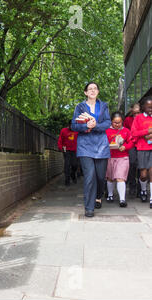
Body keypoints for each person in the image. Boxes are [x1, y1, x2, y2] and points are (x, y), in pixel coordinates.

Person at [71, 82, 111, 217]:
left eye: (95, 89)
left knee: (100, 177)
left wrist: (96, 125)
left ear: (98, 92)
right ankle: (89, 207)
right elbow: (73, 125)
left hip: (101, 145)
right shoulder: (80, 107)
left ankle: (98, 195)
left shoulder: (104, 106)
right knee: (89, 176)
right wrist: (86, 126)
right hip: (85, 146)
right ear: (85, 93)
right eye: (90, 89)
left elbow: (107, 123)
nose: (92, 91)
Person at [105, 111, 134, 207]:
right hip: (110, 157)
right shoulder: (106, 131)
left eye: (119, 122)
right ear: (111, 122)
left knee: (120, 178)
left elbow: (131, 142)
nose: (117, 124)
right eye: (115, 122)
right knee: (110, 178)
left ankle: (122, 199)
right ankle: (110, 195)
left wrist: (125, 146)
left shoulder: (126, 131)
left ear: (122, 122)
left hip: (122, 157)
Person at [130, 96, 152, 208]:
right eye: (148, 107)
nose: (150, 109)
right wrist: (146, 132)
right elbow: (133, 133)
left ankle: (151, 198)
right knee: (143, 175)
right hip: (142, 148)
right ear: (143, 107)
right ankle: (143, 189)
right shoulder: (138, 118)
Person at [124, 103, 141, 196]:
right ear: (131, 110)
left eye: (138, 112)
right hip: (131, 144)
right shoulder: (128, 120)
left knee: (140, 166)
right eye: (135, 112)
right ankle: (132, 184)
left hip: (141, 144)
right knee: (132, 163)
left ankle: (140, 188)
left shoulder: (142, 118)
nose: (136, 114)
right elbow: (125, 132)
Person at [58, 120, 79, 185]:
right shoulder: (63, 130)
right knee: (67, 165)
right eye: (71, 125)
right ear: (69, 125)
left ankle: (72, 174)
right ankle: (67, 180)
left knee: (74, 165)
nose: (72, 127)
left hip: (75, 151)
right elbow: (60, 140)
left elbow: (81, 141)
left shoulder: (77, 131)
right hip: (66, 150)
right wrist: (60, 147)